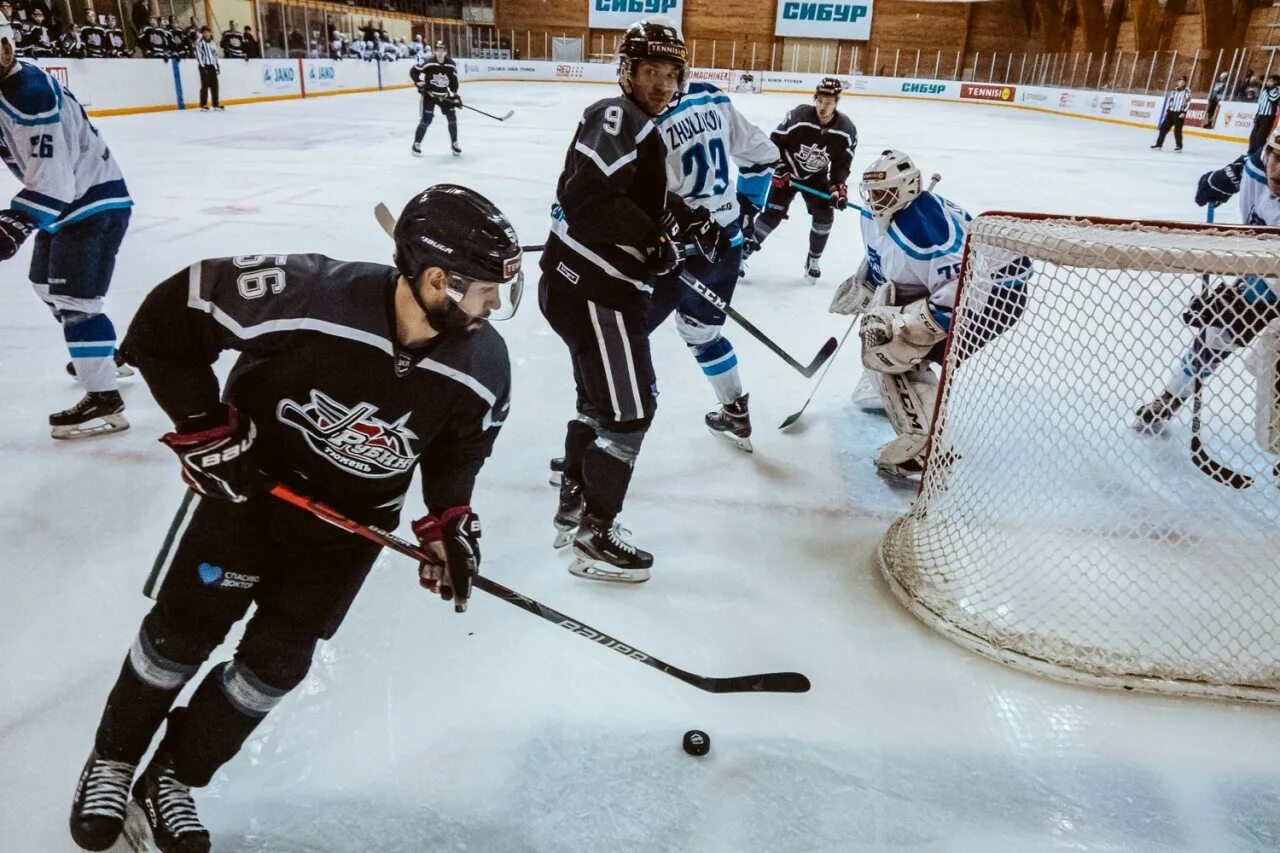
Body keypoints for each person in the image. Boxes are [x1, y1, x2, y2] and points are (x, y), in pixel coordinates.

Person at [66, 185, 522, 853]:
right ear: (435, 280)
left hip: (345, 534)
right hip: (246, 501)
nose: (493, 308)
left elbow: (460, 447)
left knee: (273, 668)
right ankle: (111, 760)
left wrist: (449, 521)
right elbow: (168, 319)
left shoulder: (485, 362)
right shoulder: (313, 293)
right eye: (484, 290)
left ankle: (173, 776)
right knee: (176, 640)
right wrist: (203, 426)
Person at [540, 19, 705, 583]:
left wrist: (680, 218)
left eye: (670, 73)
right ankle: (595, 533)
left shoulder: (641, 124)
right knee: (632, 411)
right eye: (649, 71)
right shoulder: (616, 114)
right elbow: (587, 198)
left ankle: (572, 503)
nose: (661, 84)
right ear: (627, 73)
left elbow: (624, 194)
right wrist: (654, 240)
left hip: (581, 285)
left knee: (601, 403)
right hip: (599, 291)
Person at [836, 150, 1029, 477]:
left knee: (895, 348)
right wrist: (867, 283)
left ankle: (924, 452)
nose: (874, 201)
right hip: (966, 286)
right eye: (870, 194)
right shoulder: (876, 215)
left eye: (883, 194)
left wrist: (917, 327)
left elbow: (969, 287)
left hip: (997, 297)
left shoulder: (925, 232)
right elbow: (885, 259)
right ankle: (887, 388)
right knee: (887, 334)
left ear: (908, 190)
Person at [0, 15, 133, 438]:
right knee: (46, 286)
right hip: (69, 206)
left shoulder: (30, 96)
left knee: (76, 301)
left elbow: (54, 181)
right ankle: (102, 356)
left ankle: (105, 401)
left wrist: (19, 220)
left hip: (92, 205)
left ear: (8, 47)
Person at [646, 73, 777, 452]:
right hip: (726, 243)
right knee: (702, 333)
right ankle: (735, 409)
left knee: (623, 336)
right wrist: (747, 207)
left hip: (671, 253)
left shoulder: (642, 115)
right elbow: (762, 155)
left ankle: (610, 437)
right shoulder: (710, 96)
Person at [1136, 130, 1280, 433]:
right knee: (1215, 336)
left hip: (1271, 280)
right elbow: (1232, 175)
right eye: (1276, 157)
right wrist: (1218, 182)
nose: (1277, 171)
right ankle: (1169, 400)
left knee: (1271, 366)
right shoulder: (1256, 165)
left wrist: (1250, 296)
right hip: (1265, 273)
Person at [744, 77, 857, 282]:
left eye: (829, 102)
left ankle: (813, 260)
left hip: (816, 177)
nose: (823, 107)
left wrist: (837, 186)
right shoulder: (799, 116)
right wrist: (779, 168)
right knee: (772, 214)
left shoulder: (846, 130)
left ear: (837, 103)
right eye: (820, 101)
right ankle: (742, 255)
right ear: (815, 99)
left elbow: (841, 163)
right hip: (787, 172)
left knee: (825, 216)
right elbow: (775, 142)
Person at [409, 43, 460, 156]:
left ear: (446, 52)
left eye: (442, 50)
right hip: (430, 95)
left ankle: (454, 143)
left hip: (444, 95)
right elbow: (413, 71)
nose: (440, 52)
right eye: (438, 50)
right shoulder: (428, 61)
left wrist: (455, 96)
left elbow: (454, 81)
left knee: (452, 118)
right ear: (435, 51)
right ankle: (416, 144)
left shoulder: (451, 64)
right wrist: (418, 82)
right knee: (426, 120)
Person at [1152, 75, 1190, 151]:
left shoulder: (1187, 91)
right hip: (1171, 112)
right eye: (1179, 81)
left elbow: (1188, 102)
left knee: (1177, 130)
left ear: (1185, 82)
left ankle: (1179, 146)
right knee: (1163, 128)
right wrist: (1168, 111)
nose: (1180, 82)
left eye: (1182, 81)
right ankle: (1158, 145)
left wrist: (1184, 112)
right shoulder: (1174, 90)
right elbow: (1171, 101)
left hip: (1179, 113)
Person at [1249, 75, 1280, 153]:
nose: (1267, 82)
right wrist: (1257, 114)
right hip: (1261, 115)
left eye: (1270, 81)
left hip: (1268, 116)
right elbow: (1261, 103)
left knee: (1261, 137)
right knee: (1253, 135)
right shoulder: (1265, 90)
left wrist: (1269, 90)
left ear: (1275, 82)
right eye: (1268, 80)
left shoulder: (1278, 89)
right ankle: (1250, 151)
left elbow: (1273, 99)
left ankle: (1257, 153)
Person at [194, 26, 222, 111]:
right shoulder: (199, 42)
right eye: (204, 32)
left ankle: (216, 104)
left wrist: (216, 65)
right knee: (205, 86)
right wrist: (202, 67)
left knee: (215, 85)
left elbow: (215, 55)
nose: (206, 34)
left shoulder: (212, 43)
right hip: (204, 66)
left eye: (208, 32)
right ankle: (203, 105)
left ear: (210, 33)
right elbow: (198, 55)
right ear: (202, 34)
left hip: (212, 66)